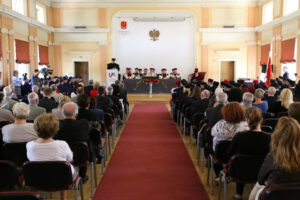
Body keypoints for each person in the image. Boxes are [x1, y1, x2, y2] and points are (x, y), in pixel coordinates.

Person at [26, 113, 77, 200]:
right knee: (63, 168)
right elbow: (70, 159)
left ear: (36, 128)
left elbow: (30, 159)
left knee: (61, 167)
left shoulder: (29, 145)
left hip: (37, 179)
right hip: (61, 180)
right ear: (55, 129)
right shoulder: (62, 144)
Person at [249, 117, 300, 200]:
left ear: (277, 135)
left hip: (274, 195)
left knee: (257, 188)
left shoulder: (272, 156)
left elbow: (260, 179)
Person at [227, 107, 270, 200]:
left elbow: (229, 153)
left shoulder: (239, 136)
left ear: (246, 120)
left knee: (241, 161)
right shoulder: (269, 138)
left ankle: (239, 194)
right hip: (261, 173)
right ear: (261, 120)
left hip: (239, 172)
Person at [54, 102, 90, 183]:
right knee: (84, 143)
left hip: (61, 158)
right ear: (76, 115)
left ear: (63, 114)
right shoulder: (84, 123)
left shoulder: (56, 125)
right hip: (81, 157)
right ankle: (82, 175)